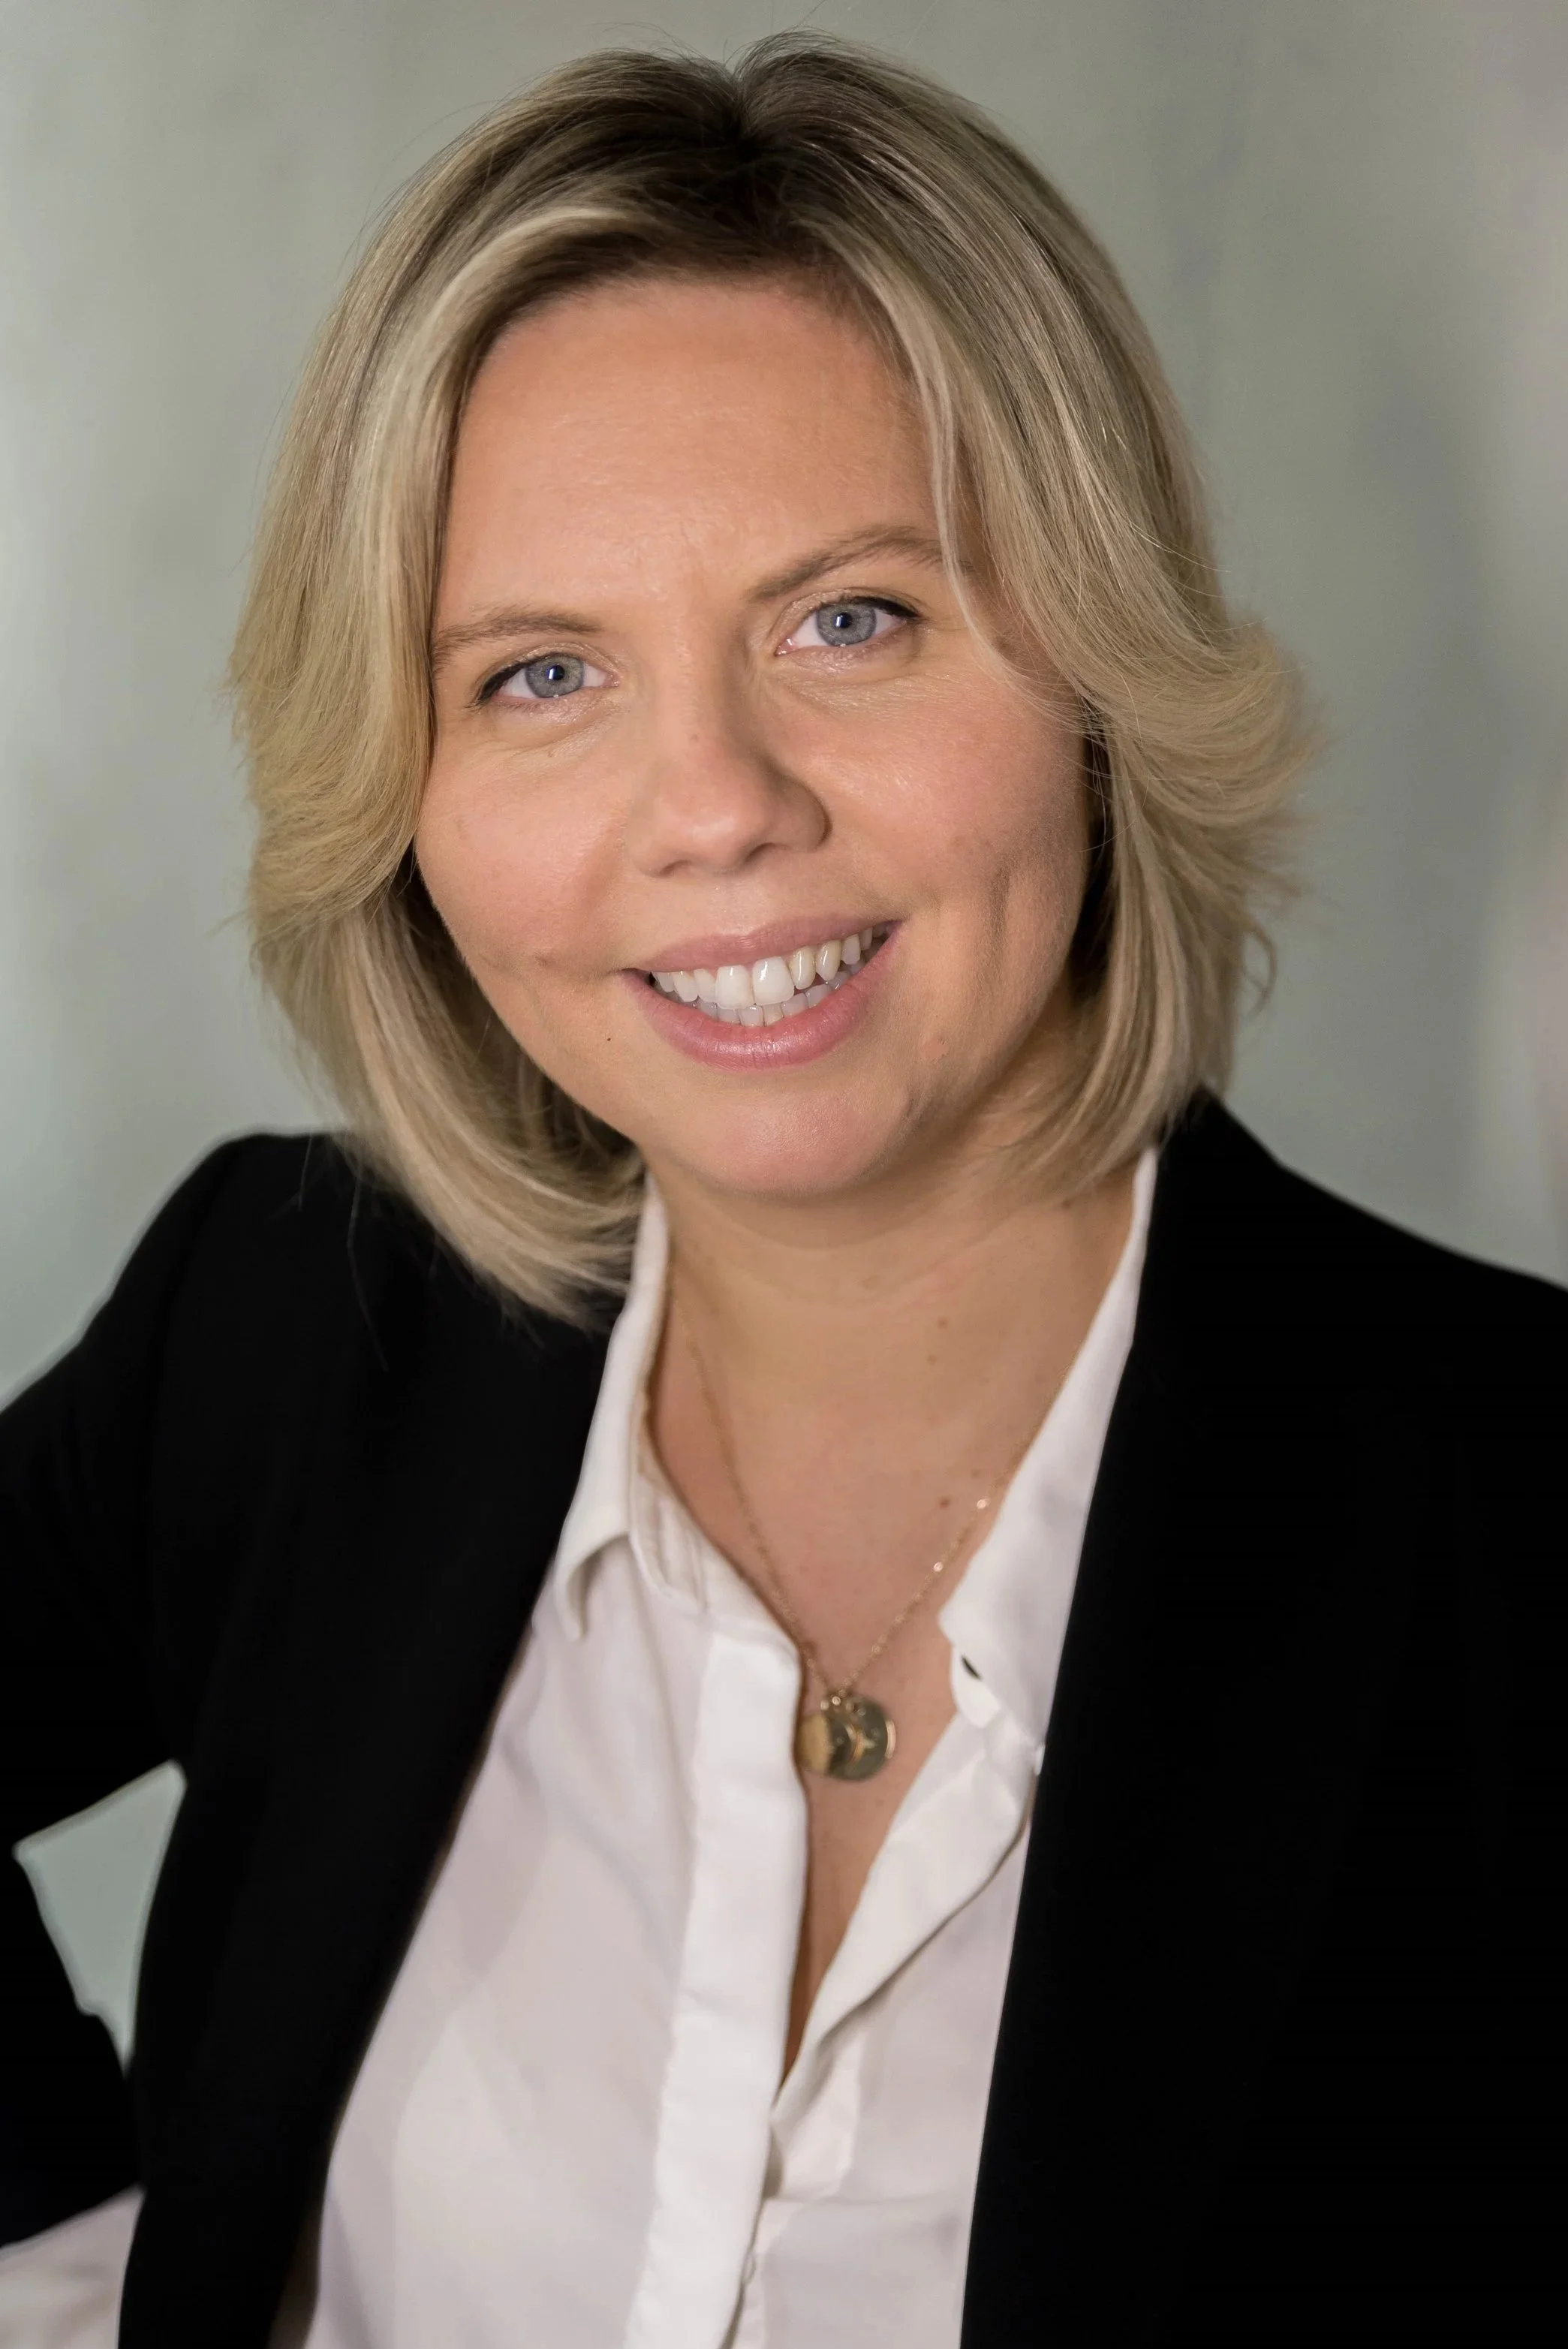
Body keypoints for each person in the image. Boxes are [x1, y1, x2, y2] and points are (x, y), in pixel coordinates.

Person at [1, 34, 1562, 2349]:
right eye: (543, 673)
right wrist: (81, 2273)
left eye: (853, 620)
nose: (717, 805)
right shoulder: (291, 1325)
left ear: (1099, 676)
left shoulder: (1517, 1525)